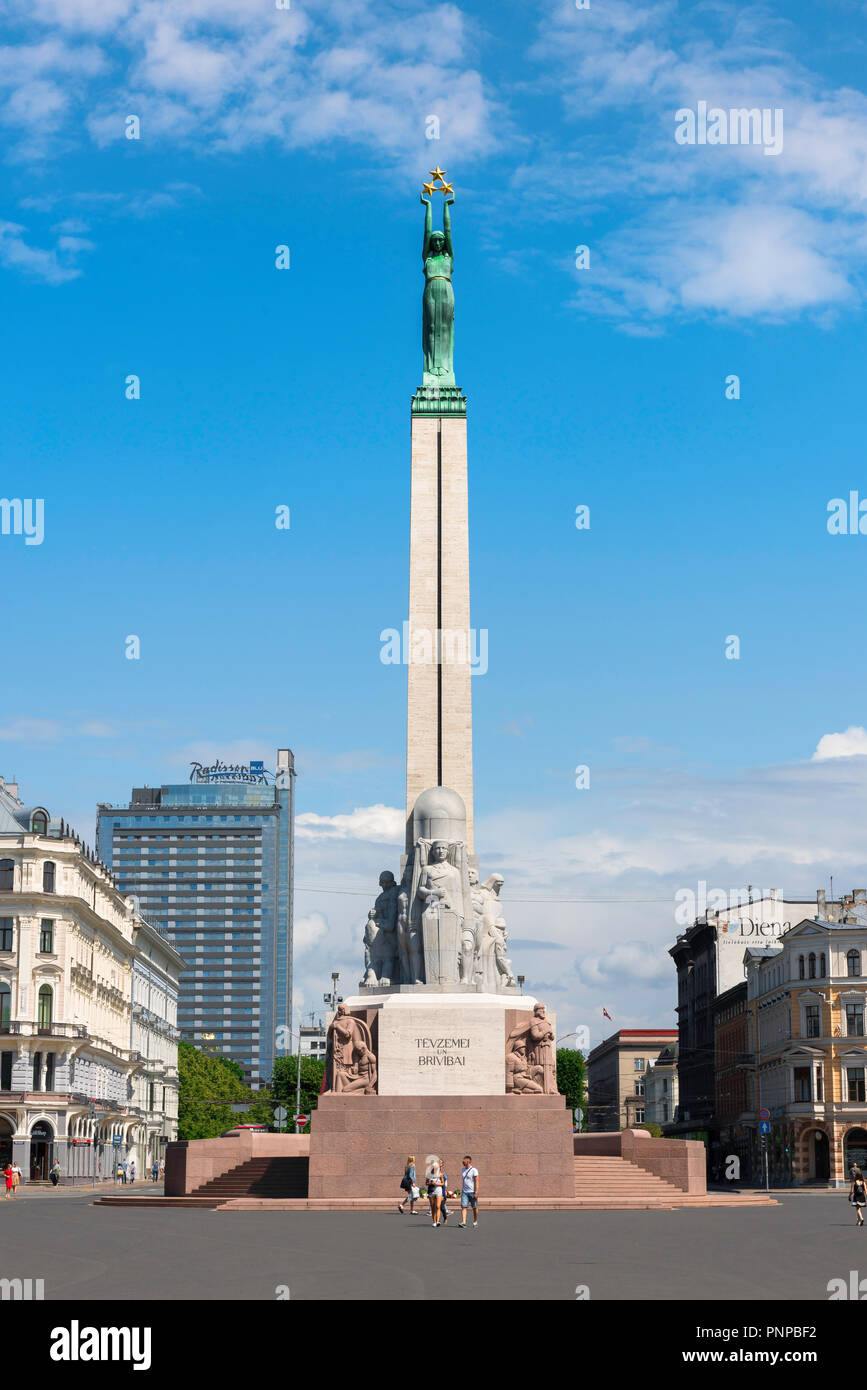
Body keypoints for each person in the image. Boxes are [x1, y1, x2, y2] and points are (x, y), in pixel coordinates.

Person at [459, 1154, 479, 1229]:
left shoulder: (474, 1170)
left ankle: (475, 1221)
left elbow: (477, 1181)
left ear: (468, 1162)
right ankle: (464, 1222)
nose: (462, 1162)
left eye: (463, 1161)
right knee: (464, 1206)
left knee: (474, 1207)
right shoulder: (463, 1169)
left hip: (472, 1192)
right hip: (465, 1192)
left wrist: (476, 1192)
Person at [425, 1154, 443, 1227]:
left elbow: (443, 1183)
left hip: (438, 1190)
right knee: (432, 1206)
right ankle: (434, 1221)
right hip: (431, 1191)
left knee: (438, 1206)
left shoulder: (440, 1174)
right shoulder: (429, 1174)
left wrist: (436, 1183)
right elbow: (426, 1183)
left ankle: (438, 1221)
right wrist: (430, 1183)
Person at [440, 1159, 450, 1224]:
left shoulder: (443, 1175)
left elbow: (445, 1185)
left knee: (441, 1207)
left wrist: (443, 1194)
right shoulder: (432, 1173)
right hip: (434, 1193)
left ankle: (445, 1217)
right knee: (436, 1207)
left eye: (441, 1165)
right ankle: (436, 1220)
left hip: (442, 1193)